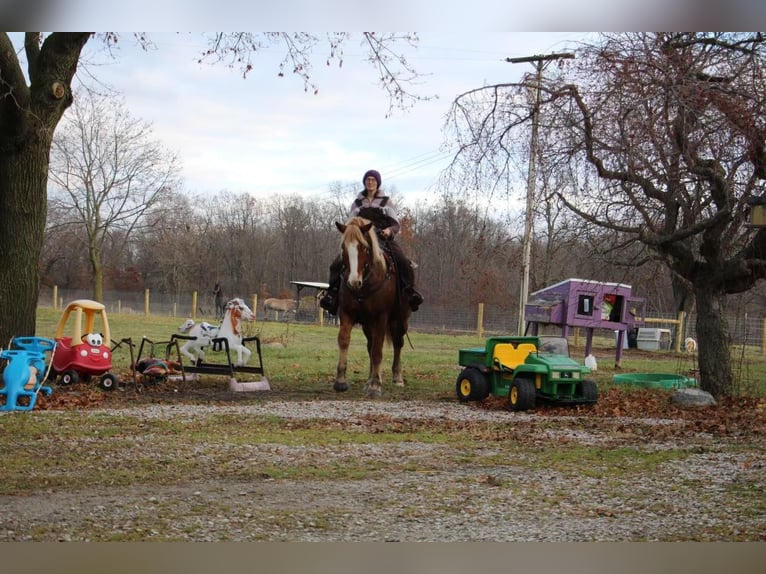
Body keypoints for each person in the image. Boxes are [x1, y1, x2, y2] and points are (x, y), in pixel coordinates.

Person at [320, 169, 423, 315]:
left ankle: (410, 293)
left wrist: (389, 231)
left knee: (403, 261)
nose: (370, 182)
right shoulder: (357, 203)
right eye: (368, 179)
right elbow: (351, 224)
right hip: (362, 240)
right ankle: (332, 295)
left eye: (373, 180)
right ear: (364, 182)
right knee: (336, 264)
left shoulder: (386, 202)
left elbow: (396, 225)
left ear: (378, 183)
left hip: (382, 239)